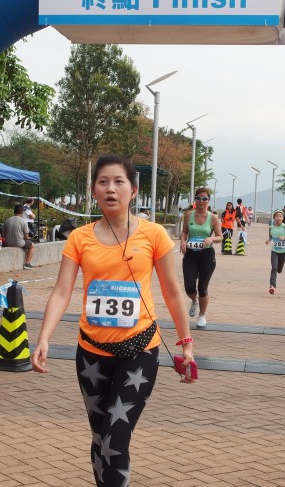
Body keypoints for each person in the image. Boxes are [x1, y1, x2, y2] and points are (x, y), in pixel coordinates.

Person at [31, 154, 195, 486]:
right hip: (91, 354)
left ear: (133, 191)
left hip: (139, 351)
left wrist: (186, 344)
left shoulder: (154, 235)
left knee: (114, 441)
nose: (111, 189)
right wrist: (44, 338)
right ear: (94, 191)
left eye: (119, 182)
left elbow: (173, 292)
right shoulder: (79, 238)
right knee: (100, 438)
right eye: (103, 182)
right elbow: (61, 292)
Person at [181, 187, 222, 327]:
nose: (201, 201)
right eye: (198, 198)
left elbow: (220, 237)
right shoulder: (188, 215)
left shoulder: (213, 217)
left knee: (202, 288)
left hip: (207, 255)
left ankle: (202, 315)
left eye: (204, 198)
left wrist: (211, 239)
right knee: (189, 287)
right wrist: (182, 241)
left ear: (208, 200)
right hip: (191, 254)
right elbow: (184, 232)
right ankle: (194, 300)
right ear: (195, 200)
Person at [265, 210, 285, 294]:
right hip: (274, 251)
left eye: (280, 216)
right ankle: (272, 286)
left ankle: (279, 269)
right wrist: (268, 240)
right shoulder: (271, 227)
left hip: (284, 251)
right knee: (274, 268)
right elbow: (271, 237)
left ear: (283, 218)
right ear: (274, 217)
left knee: (279, 269)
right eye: (277, 216)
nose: (278, 218)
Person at [3, 204, 35, 269]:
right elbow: (26, 237)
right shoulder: (23, 221)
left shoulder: (7, 220)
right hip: (19, 243)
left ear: (14, 211)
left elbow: (3, 235)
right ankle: (27, 264)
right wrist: (29, 238)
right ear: (22, 212)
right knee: (32, 246)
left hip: (7, 243)